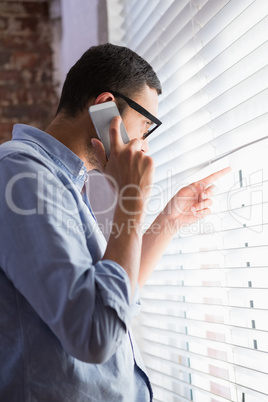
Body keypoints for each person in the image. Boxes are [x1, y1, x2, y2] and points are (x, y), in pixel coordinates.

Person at [0, 43, 229, 401]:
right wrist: (131, 198)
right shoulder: (22, 173)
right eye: (145, 125)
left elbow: (113, 298)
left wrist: (170, 218)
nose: (143, 143)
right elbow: (95, 335)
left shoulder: (67, 184)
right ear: (105, 105)